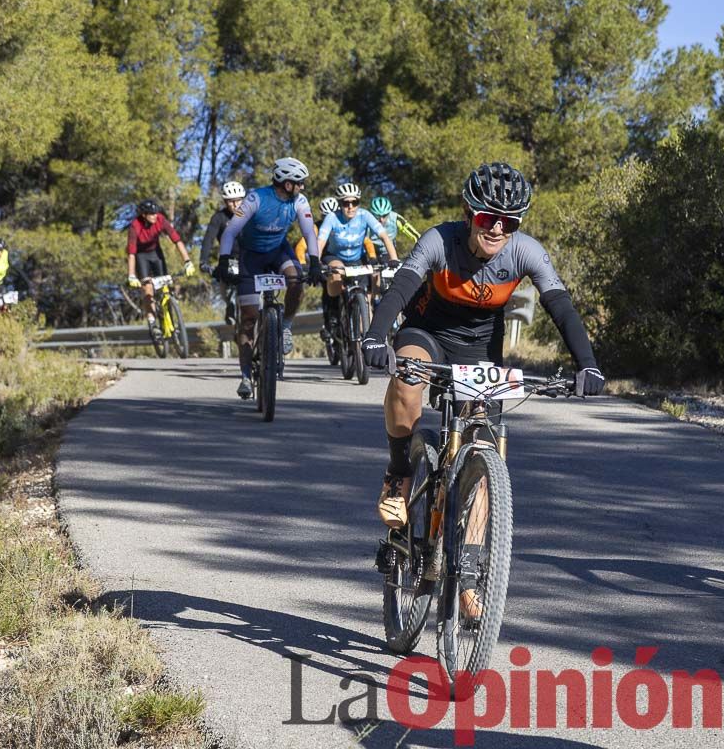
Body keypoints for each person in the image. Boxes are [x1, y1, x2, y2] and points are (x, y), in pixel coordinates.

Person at [359, 162, 605, 619]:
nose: (496, 228)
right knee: (407, 380)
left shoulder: (525, 252)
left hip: (479, 351)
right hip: (427, 332)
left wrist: (587, 365)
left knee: (486, 445)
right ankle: (398, 471)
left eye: (509, 221)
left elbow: (561, 306)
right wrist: (375, 336)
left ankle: (469, 574)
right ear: (469, 213)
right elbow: (401, 289)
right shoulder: (439, 240)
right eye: (487, 217)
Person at [215, 157, 322, 399]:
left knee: (296, 282)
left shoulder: (299, 201)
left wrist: (314, 261)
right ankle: (244, 375)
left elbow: (308, 231)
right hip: (250, 256)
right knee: (249, 319)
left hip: (277, 250)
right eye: (299, 183)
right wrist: (222, 260)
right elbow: (231, 230)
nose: (303, 187)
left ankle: (284, 326)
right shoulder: (256, 199)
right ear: (286, 184)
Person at [317, 183, 399, 340]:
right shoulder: (332, 218)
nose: (350, 207)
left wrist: (393, 258)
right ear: (340, 204)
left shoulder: (364, 215)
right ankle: (335, 313)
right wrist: (315, 263)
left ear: (358, 203)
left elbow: (384, 236)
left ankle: (363, 334)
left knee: (370, 287)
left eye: (354, 202)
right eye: (345, 203)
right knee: (336, 272)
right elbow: (320, 242)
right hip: (335, 257)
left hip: (357, 258)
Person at [126, 199, 194, 326]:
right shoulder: (135, 226)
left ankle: (169, 312)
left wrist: (187, 261)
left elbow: (177, 240)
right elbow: (131, 254)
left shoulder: (161, 220)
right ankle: (151, 320)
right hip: (141, 256)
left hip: (156, 253)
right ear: (144, 215)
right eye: (151, 214)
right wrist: (131, 275)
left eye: (156, 213)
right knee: (147, 287)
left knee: (165, 284)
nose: (155, 216)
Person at [201, 181, 247, 324]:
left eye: (238, 200)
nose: (235, 205)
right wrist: (203, 261)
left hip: (250, 256)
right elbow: (208, 239)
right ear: (225, 201)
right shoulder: (219, 218)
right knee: (230, 279)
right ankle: (231, 304)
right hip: (231, 258)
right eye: (230, 202)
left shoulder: (250, 214)